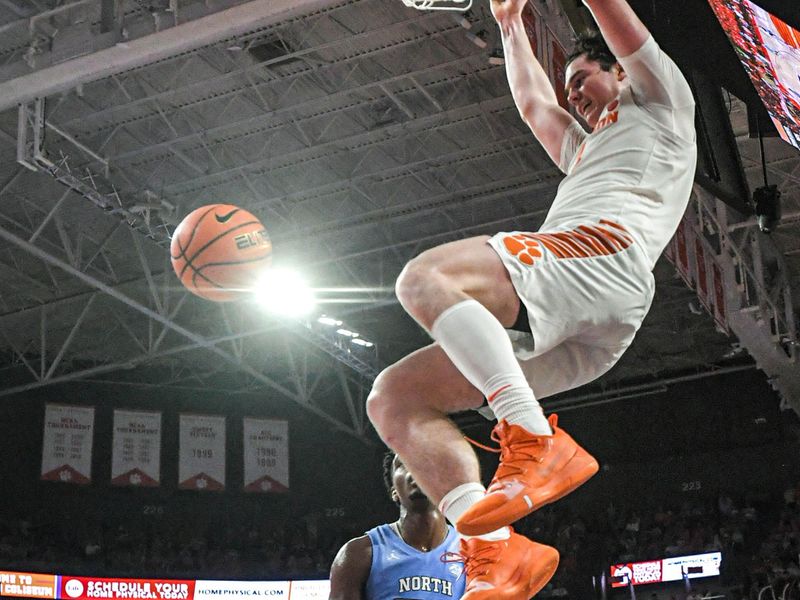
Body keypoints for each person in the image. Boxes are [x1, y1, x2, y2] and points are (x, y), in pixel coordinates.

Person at [366, 0, 697, 597]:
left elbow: (613, 15)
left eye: (582, 78)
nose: (572, 95)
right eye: (569, 87)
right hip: (583, 317)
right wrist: (509, 21)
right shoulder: (585, 152)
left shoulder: (661, 102)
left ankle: (532, 436)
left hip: (600, 256)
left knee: (424, 279)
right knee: (395, 399)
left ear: (619, 71)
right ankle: (496, 553)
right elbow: (533, 105)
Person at [328, 452, 466, 599]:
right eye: (405, 464)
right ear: (394, 491)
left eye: (427, 463)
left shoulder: (475, 552)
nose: (417, 471)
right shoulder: (358, 554)